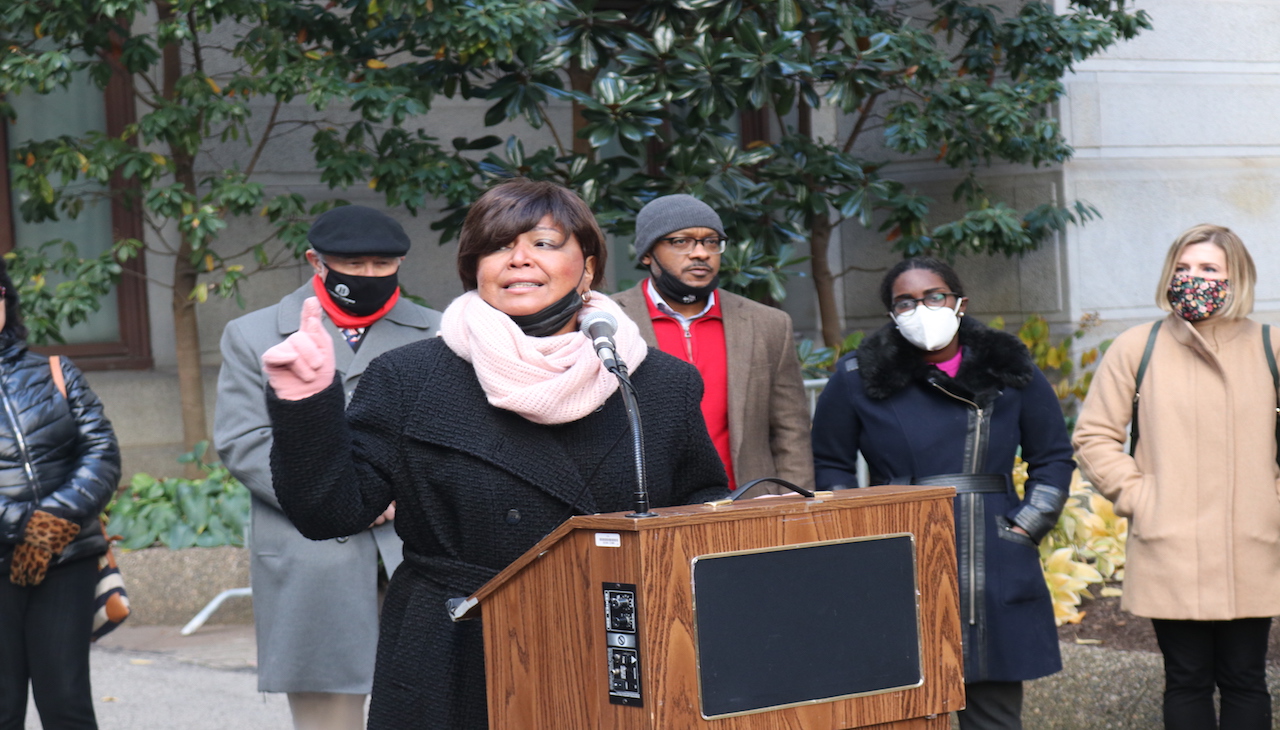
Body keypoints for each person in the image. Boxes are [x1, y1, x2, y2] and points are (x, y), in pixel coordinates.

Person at [259, 179, 728, 729]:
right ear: (473, 267)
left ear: (589, 267)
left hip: (610, 641)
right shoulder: (410, 377)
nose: (519, 259)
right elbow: (329, 513)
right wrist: (306, 403)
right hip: (450, 653)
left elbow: (702, 506)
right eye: (498, 245)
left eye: (545, 243)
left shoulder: (655, 383)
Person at [811, 257, 1072, 730]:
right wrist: (856, 533)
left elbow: (1053, 455)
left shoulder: (1009, 370)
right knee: (899, 705)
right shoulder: (856, 377)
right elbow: (831, 462)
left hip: (992, 551)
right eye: (905, 301)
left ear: (959, 303)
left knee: (992, 710)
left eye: (934, 296)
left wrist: (1027, 523)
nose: (921, 308)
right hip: (895, 549)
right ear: (892, 314)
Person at [214, 205, 440, 730]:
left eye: (382, 265)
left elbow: (451, 435)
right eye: (352, 263)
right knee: (327, 718)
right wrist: (337, 496)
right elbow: (244, 441)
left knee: (428, 705)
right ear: (316, 261)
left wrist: (395, 493)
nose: (366, 275)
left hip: (416, 543)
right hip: (311, 548)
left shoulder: (440, 331)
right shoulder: (253, 334)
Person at [1073, 224, 1277, 730]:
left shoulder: (1270, 346)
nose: (1193, 278)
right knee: (1185, 679)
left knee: (1246, 678)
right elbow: (1094, 436)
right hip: (1170, 542)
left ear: (1236, 278)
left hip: (1250, 540)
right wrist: (1142, 496)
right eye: (1183, 268)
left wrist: (1271, 500)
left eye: (1208, 269)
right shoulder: (1135, 347)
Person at [611, 194, 814, 492]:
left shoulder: (767, 323)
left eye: (711, 242)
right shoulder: (608, 321)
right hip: (650, 510)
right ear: (647, 254)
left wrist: (794, 505)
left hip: (750, 504)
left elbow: (791, 432)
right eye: (681, 242)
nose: (701, 253)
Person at [0, 258, 121, 730]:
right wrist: (22, 527)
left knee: (67, 705)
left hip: (62, 558)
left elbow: (102, 453)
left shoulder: (55, 372)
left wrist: (51, 524)